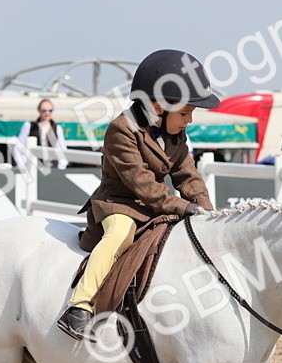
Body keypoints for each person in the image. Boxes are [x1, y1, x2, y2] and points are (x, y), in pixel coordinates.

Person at [57, 49, 219, 340]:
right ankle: (78, 306)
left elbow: (187, 175)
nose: (189, 121)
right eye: (185, 112)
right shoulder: (122, 129)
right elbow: (143, 184)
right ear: (159, 106)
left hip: (155, 206)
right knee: (121, 234)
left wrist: (208, 212)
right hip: (118, 205)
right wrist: (183, 207)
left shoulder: (176, 134)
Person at [15, 99, 69, 171]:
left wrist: (61, 167)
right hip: (33, 168)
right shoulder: (29, 126)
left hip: (53, 168)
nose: (47, 113)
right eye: (44, 111)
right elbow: (19, 147)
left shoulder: (57, 128)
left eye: (50, 110)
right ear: (39, 111)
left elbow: (63, 150)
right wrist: (22, 166)